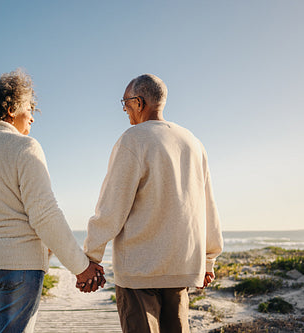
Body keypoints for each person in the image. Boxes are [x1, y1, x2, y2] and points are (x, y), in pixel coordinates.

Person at [0, 69, 104, 333]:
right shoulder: (25, 147)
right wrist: (81, 268)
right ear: (11, 109)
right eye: (29, 107)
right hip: (18, 267)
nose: (33, 117)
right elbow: (45, 214)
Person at [82, 74, 223, 332]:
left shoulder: (133, 139)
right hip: (181, 267)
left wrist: (91, 257)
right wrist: (208, 259)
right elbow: (207, 206)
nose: (124, 110)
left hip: (139, 270)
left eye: (125, 103)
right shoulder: (193, 142)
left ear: (139, 102)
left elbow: (111, 207)